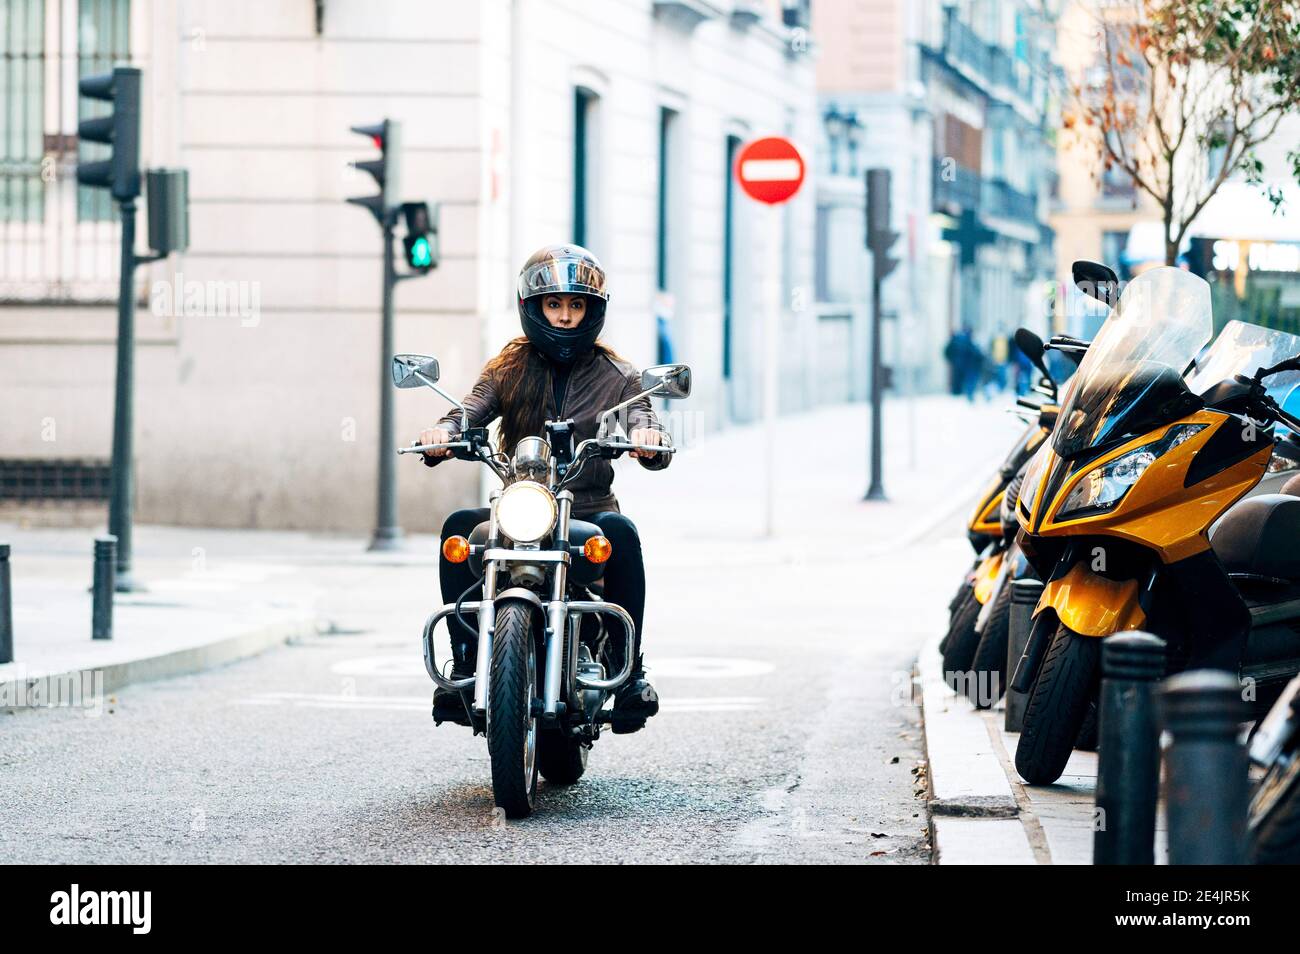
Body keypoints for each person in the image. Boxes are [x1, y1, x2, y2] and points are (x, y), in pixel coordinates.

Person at [418, 243, 672, 734]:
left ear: (591, 311)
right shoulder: (508, 369)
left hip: (587, 511)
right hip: (521, 508)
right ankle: (466, 662)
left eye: (575, 306)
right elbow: (470, 409)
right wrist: (445, 433)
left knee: (621, 532)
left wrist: (648, 438)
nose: (564, 317)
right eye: (554, 305)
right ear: (534, 308)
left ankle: (629, 670)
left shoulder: (618, 375)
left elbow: (644, 416)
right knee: (459, 530)